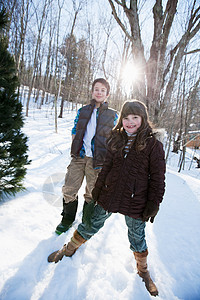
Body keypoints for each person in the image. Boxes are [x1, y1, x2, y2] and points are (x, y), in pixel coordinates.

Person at [48, 100, 166, 296]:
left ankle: (143, 271)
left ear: (143, 119)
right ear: (121, 119)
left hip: (136, 199)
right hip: (110, 193)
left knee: (137, 236)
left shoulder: (153, 145)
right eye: (126, 118)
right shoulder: (116, 138)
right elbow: (106, 167)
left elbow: (158, 178)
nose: (130, 122)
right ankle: (69, 248)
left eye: (135, 118)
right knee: (91, 223)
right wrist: (97, 189)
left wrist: (154, 203)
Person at [55, 78, 118, 235]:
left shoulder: (113, 115)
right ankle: (67, 219)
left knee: (92, 193)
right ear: (92, 91)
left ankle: (86, 220)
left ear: (107, 94)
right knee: (69, 188)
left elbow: (116, 138)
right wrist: (75, 147)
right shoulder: (82, 111)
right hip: (79, 157)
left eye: (103, 90)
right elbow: (75, 129)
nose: (99, 92)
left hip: (98, 161)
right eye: (96, 89)